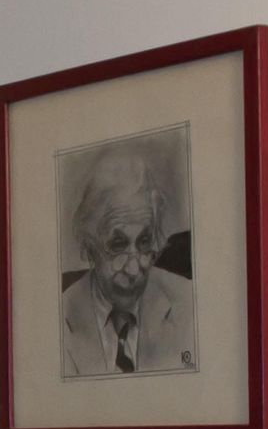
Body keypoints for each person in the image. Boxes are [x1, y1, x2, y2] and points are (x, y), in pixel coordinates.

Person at [59, 145, 196, 377]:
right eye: (118, 245)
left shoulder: (189, 305)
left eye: (144, 242)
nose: (134, 269)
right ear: (90, 248)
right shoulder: (60, 318)